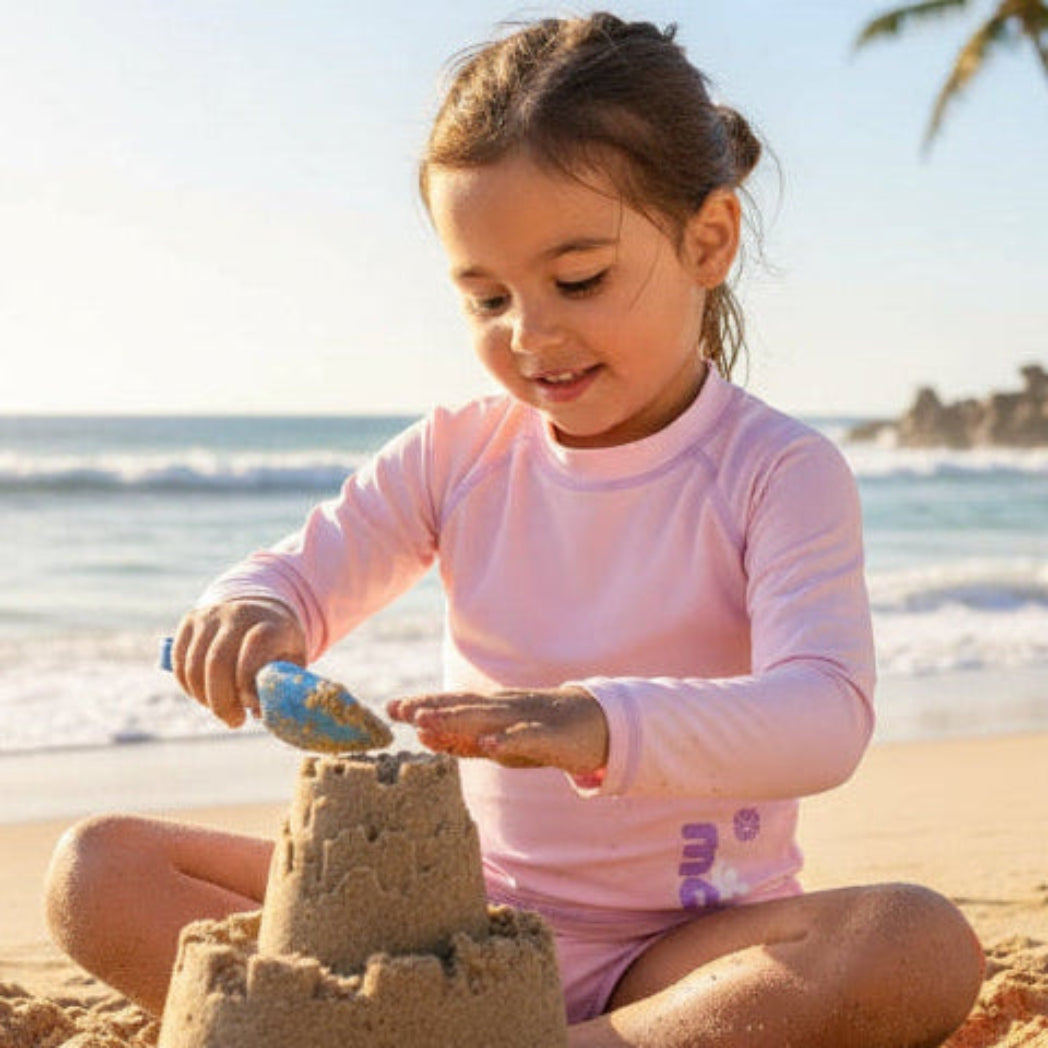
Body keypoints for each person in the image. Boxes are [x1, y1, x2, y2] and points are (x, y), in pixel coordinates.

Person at [44, 12, 984, 1045]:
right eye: (486, 297)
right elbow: (303, 575)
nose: (530, 335)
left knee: (913, 938)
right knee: (100, 867)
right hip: (447, 923)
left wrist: (597, 721)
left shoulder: (777, 472)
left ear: (706, 240)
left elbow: (824, 715)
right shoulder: (457, 454)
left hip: (673, 947)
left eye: (577, 280)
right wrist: (253, 610)